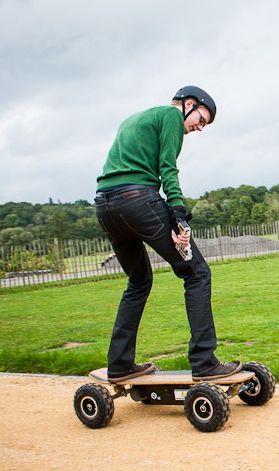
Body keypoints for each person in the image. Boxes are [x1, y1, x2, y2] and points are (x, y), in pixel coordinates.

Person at [95, 86, 243, 383]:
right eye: (201, 119)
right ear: (188, 104)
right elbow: (168, 169)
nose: (199, 128)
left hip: (106, 207)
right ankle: (205, 362)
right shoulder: (171, 117)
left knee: (138, 282)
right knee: (197, 273)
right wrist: (178, 214)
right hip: (138, 201)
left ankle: (120, 364)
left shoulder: (134, 119)